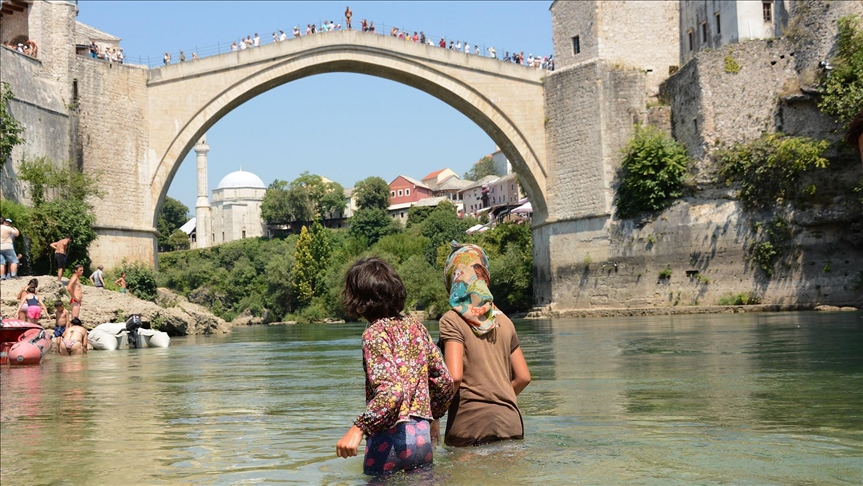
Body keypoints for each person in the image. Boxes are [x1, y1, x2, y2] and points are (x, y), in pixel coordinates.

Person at [336, 257, 454, 476]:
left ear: (358, 300)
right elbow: (445, 381)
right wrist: (433, 415)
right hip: (421, 438)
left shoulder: (374, 333)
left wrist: (358, 428)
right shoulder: (417, 328)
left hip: (388, 441)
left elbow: (392, 391)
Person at [438, 242, 531, 447]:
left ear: (453, 277)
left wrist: (433, 416)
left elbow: (454, 378)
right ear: (484, 276)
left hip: (469, 426)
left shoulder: (451, 321)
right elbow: (524, 377)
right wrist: (500, 399)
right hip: (511, 424)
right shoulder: (504, 321)